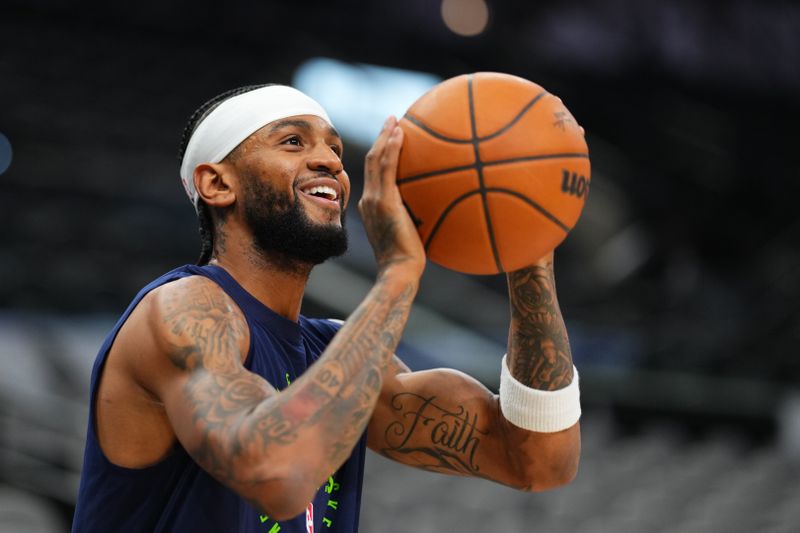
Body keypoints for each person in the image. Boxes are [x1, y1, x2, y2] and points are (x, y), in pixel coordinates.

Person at [71, 84, 582, 532]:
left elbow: (538, 461)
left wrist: (528, 247)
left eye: (335, 149)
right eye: (293, 141)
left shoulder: (337, 351)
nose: (331, 162)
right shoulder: (183, 309)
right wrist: (400, 272)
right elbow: (276, 473)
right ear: (217, 184)